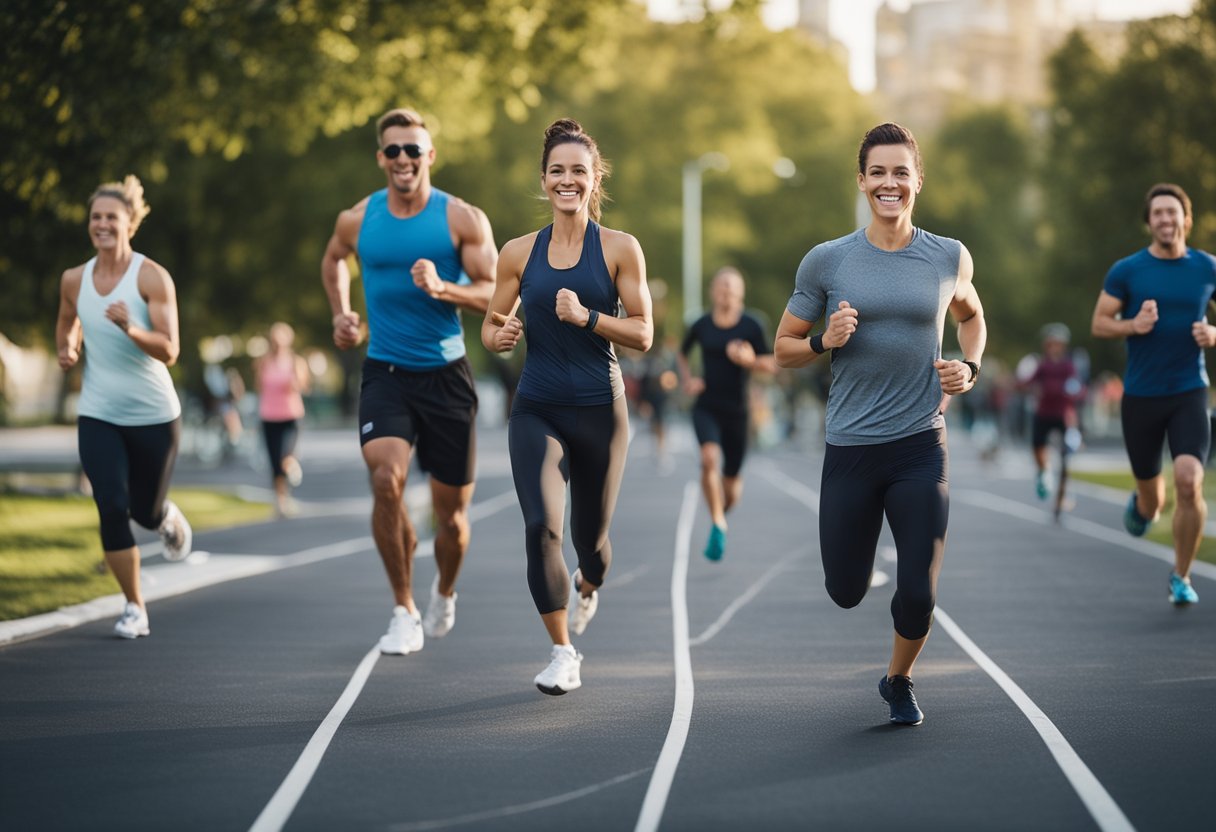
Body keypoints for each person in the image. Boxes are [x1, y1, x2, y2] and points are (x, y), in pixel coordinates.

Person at [774, 123, 986, 726]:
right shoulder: (829, 260)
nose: (889, 183)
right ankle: (860, 564)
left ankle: (898, 679)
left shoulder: (948, 256)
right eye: (878, 173)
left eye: (901, 172)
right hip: (852, 448)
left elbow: (972, 318)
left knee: (918, 591)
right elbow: (781, 350)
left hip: (921, 444)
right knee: (844, 589)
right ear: (862, 181)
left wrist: (969, 367)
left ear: (917, 180)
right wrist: (823, 339)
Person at [483, 118, 652, 695]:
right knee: (540, 529)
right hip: (538, 409)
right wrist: (499, 337)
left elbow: (645, 333)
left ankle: (588, 583)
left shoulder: (620, 249)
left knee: (591, 545)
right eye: (557, 170)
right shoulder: (516, 253)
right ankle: (562, 650)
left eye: (578, 170)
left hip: (601, 413)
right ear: (544, 179)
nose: (567, 180)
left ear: (594, 178)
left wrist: (588, 318)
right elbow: (491, 322)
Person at [321, 107, 497, 653]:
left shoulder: (461, 219)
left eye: (412, 150)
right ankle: (404, 608)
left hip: (446, 375)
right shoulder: (358, 219)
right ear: (381, 158)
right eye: (393, 150)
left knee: (454, 520)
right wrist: (341, 313)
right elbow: (333, 260)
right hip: (386, 372)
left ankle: (444, 589)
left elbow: (495, 292)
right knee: (384, 482)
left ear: (429, 156)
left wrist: (446, 289)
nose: (403, 159)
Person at [54, 175, 193, 639]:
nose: (102, 225)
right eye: (95, 217)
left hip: (154, 414)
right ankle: (134, 605)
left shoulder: (150, 276)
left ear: (130, 222)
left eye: (111, 217)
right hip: (98, 412)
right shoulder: (75, 278)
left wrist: (131, 328)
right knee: (111, 505)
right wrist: (67, 349)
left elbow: (170, 349)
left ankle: (164, 517)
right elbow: (67, 322)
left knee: (143, 512)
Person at [1091, 182, 1216, 606]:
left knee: (1188, 480)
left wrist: (1214, 333)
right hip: (1141, 396)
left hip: (1189, 391)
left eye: (1172, 212)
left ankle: (1181, 575)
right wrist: (1133, 325)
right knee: (1154, 501)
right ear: (1150, 222)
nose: (1165, 219)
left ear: (1186, 218)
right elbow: (1100, 322)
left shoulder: (1207, 267)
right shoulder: (1127, 271)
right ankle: (1143, 505)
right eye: (1158, 213)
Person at [678, 267, 777, 560]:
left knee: (731, 487)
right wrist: (688, 379)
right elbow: (683, 353)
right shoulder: (702, 324)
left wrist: (749, 360)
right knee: (709, 459)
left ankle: (719, 517)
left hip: (738, 411)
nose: (725, 293)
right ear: (712, 291)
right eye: (721, 287)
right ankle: (719, 522)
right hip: (707, 406)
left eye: (731, 288)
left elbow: (773, 364)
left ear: (740, 293)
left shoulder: (751, 325)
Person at [1016, 323, 1085, 519]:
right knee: (1037, 446)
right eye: (1050, 343)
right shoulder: (1043, 365)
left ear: (1063, 346)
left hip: (1063, 415)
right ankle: (1044, 471)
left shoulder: (1068, 365)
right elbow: (1028, 382)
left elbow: (1077, 387)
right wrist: (1021, 385)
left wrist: (1075, 392)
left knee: (1065, 463)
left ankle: (1060, 501)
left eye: (1057, 344)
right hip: (1044, 413)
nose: (1054, 347)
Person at [254, 322, 311, 518]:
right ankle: (281, 502)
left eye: (281, 340)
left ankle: (292, 465)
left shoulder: (296, 362)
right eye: (274, 340)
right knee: (274, 463)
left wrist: (295, 382)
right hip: (269, 417)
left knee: (286, 458)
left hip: (291, 416)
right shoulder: (263, 362)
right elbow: (259, 387)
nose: (277, 344)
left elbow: (304, 386)